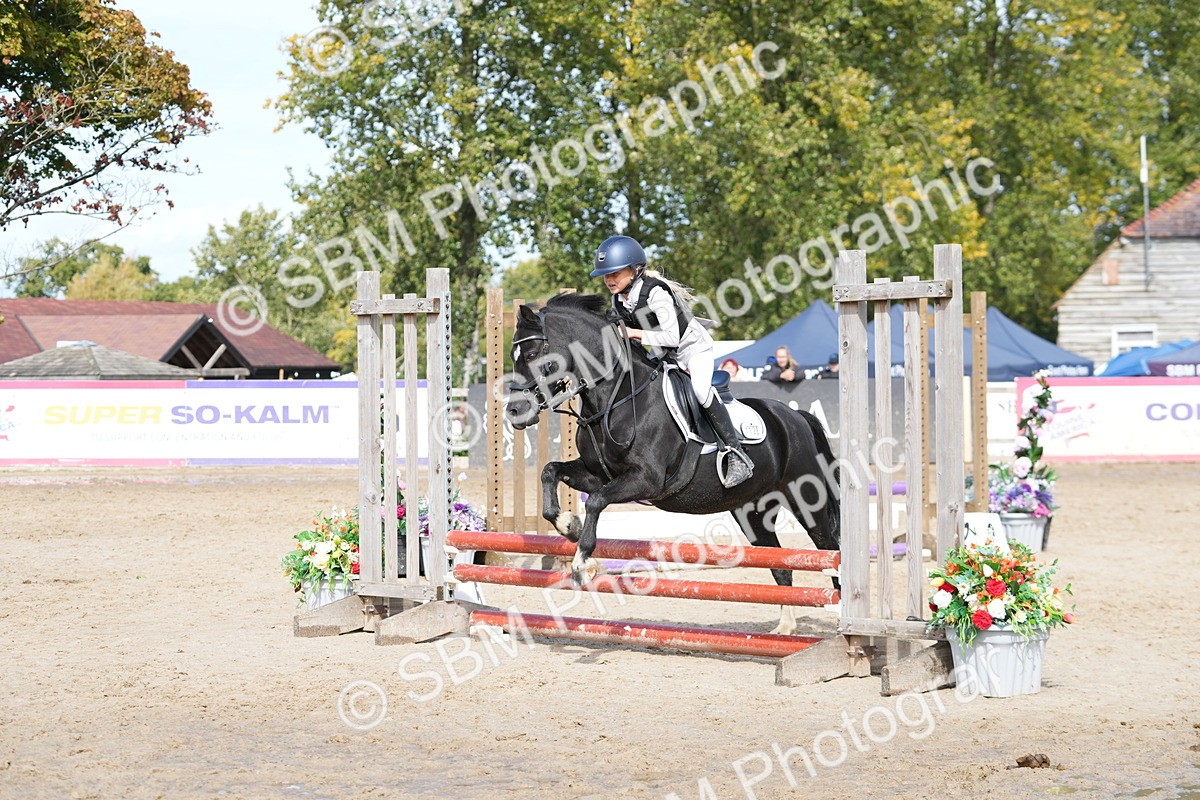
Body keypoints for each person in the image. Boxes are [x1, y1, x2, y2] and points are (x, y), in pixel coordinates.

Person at [591, 234, 754, 488]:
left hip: (691, 349)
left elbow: (671, 337)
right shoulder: (619, 299)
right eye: (606, 275)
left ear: (635, 269)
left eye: (614, 273)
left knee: (700, 391)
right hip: (661, 354)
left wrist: (633, 333)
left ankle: (736, 453)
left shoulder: (656, 293)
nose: (609, 280)